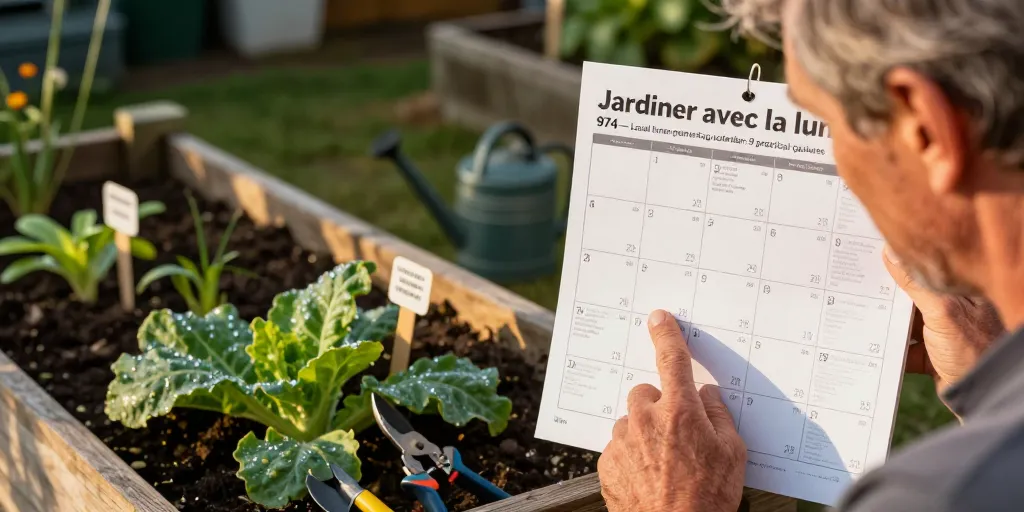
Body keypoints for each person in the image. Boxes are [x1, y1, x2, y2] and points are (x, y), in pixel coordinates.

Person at [596, 0, 1024, 510]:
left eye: (822, 122)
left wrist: (678, 504)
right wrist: (999, 378)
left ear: (925, 129)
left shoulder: (931, 495)